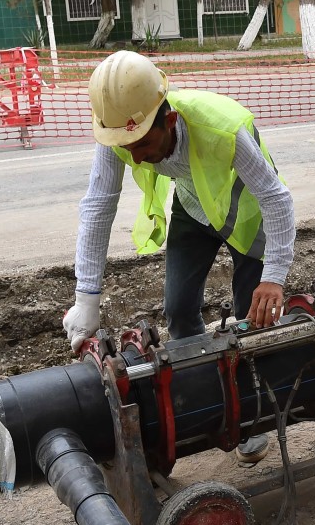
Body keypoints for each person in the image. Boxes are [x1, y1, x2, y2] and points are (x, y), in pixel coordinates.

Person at [63, 51, 296, 351]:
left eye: (144, 144)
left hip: (247, 212)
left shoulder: (222, 128)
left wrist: (274, 278)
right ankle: (201, 384)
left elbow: (275, 198)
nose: (135, 158)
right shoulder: (119, 131)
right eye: (127, 147)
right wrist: (86, 299)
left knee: (252, 316)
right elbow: (98, 205)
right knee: (178, 311)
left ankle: (256, 387)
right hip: (192, 208)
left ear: (170, 121)